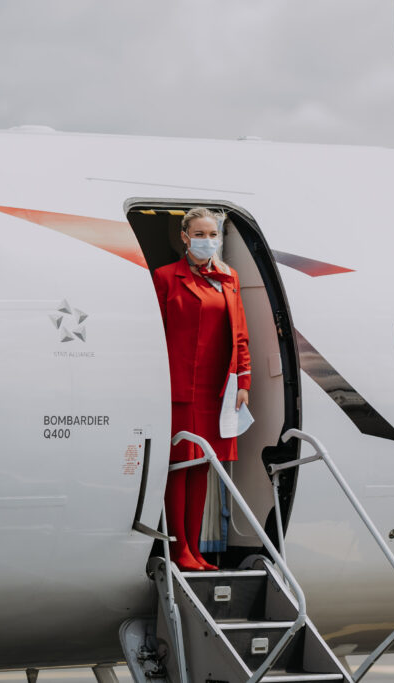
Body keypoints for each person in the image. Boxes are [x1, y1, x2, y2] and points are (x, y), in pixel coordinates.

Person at [153, 207, 251, 571]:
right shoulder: (165, 277)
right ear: (184, 236)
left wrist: (243, 380)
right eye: (200, 234)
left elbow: (240, 333)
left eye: (213, 234)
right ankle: (179, 550)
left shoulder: (229, 277)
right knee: (179, 466)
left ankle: (195, 550)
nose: (207, 240)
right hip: (179, 387)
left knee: (202, 467)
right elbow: (156, 333)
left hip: (216, 389)